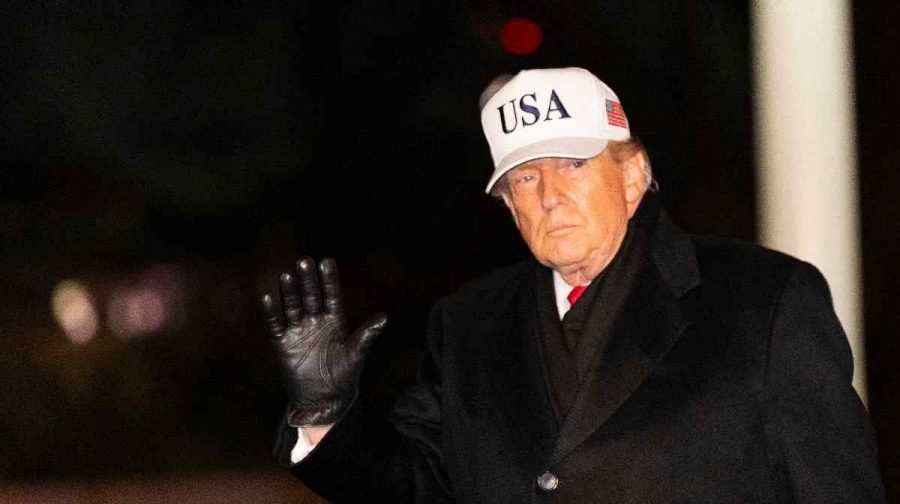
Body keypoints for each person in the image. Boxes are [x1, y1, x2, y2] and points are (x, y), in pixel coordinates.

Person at [259, 67, 885, 502]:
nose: (551, 196)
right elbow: (413, 482)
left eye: (573, 164)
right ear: (508, 208)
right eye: (525, 180)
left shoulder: (765, 302)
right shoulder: (469, 324)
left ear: (634, 175)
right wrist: (325, 415)